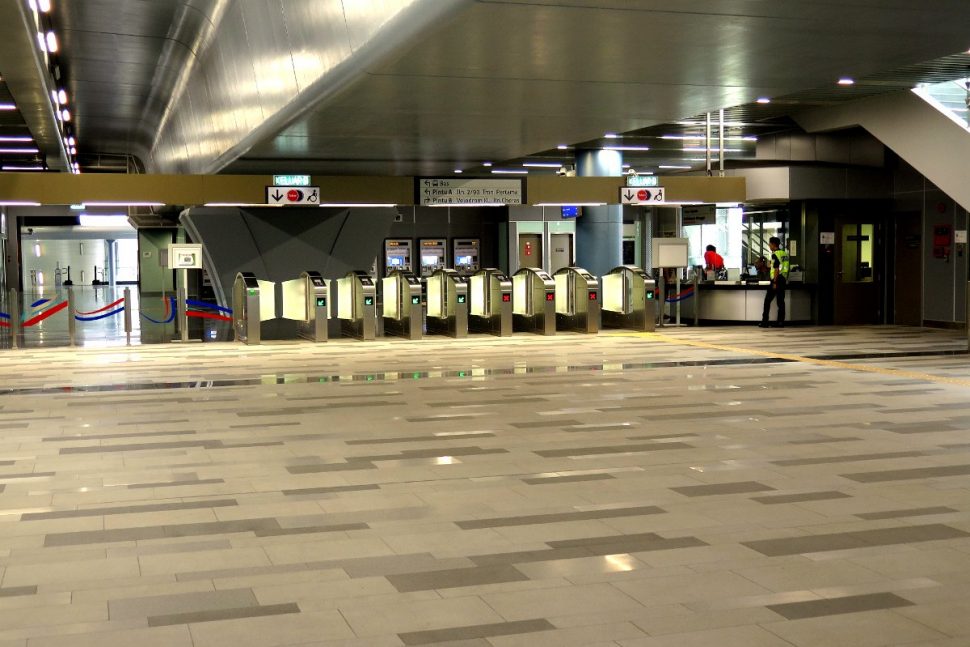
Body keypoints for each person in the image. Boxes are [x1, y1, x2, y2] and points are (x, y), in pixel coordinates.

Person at [759, 237, 790, 328]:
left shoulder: (775, 254)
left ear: (773, 244)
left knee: (767, 300)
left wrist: (775, 282)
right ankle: (780, 322)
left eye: (769, 244)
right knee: (781, 302)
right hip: (783, 279)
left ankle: (765, 322)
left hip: (776, 279)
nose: (769, 246)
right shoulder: (784, 253)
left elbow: (776, 269)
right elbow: (785, 268)